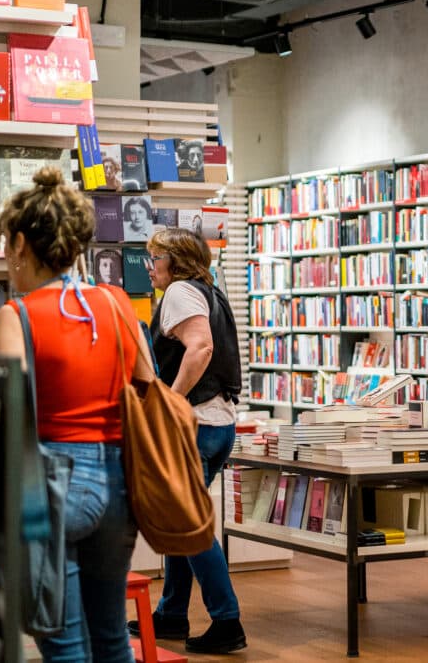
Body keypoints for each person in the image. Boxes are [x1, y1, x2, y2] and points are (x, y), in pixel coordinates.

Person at [0, 166, 146, 661]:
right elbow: (147, 381)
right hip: (120, 483)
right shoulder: (116, 302)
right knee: (113, 640)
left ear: (19, 243)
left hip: (51, 484)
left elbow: (10, 415)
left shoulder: (16, 316)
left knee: (64, 647)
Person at [126, 227, 246, 653]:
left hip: (193, 424)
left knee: (189, 526)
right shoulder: (212, 293)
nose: (149, 267)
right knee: (182, 519)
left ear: (173, 261)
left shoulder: (179, 292)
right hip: (217, 424)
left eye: (154, 258)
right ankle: (172, 613)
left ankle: (227, 621)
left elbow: (200, 348)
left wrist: (169, 401)